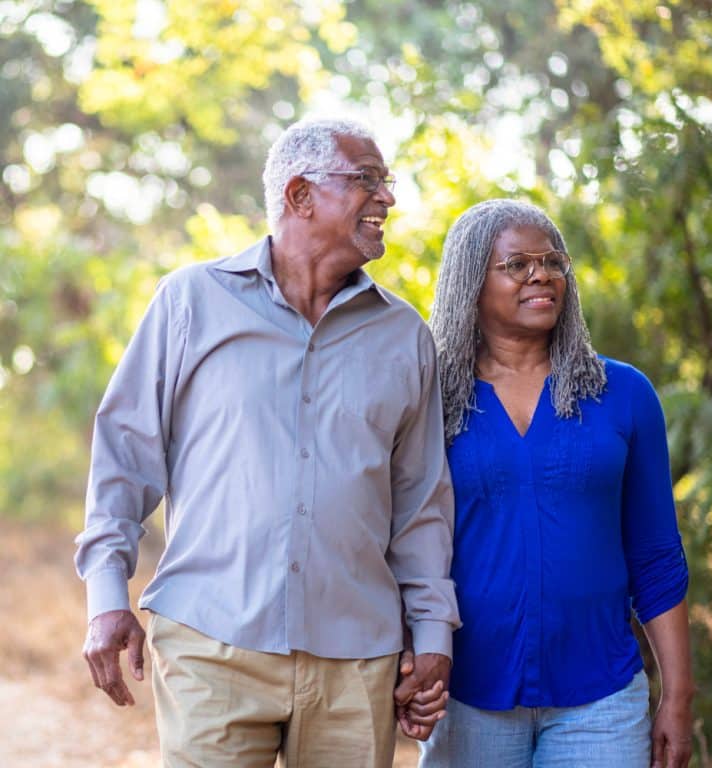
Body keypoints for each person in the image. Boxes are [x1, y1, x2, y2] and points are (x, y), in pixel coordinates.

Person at [74, 118, 459, 768]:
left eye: (385, 182)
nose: (387, 198)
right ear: (300, 195)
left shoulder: (404, 336)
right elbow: (123, 458)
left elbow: (419, 504)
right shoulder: (191, 302)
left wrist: (430, 634)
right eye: (367, 180)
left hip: (356, 658)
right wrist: (106, 598)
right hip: (210, 642)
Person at [419, 199, 694, 768]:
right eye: (516, 264)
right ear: (472, 281)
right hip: (467, 698)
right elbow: (403, 545)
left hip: (602, 703)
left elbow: (656, 555)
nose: (540, 274)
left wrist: (678, 696)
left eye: (552, 261)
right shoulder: (430, 401)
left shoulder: (623, 394)